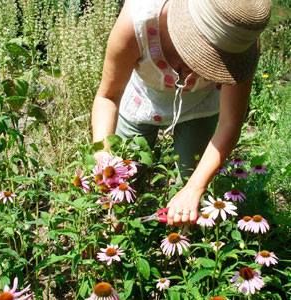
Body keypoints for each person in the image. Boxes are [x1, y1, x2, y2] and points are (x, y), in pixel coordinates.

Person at [91, 0, 271, 226]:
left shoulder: (240, 36)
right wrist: (103, 152)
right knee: (123, 183)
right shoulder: (136, 23)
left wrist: (195, 188)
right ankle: (116, 231)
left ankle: (179, 248)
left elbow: (230, 123)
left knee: (190, 178)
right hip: (141, 99)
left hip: (200, 105)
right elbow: (108, 97)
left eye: (215, 64)